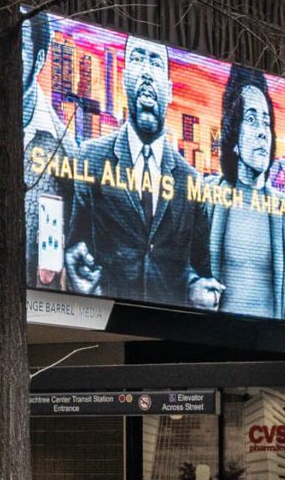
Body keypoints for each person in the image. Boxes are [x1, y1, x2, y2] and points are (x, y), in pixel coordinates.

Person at [63, 37, 200, 304]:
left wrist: (198, 287)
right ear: (124, 79)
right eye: (137, 59)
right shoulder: (91, 158)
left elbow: (199, 265)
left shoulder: (191, 180)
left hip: (173, 328)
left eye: (156, 63)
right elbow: (74, 244)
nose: (147, 72)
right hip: (103, 317)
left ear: (170, 91)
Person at [187, 68, 285, 321]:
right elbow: (179, 264)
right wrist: (192, 286)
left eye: (266, 122)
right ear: (233, 135)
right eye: (251, 119)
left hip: (276, 348)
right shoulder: (207, 197)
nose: (263, 131)